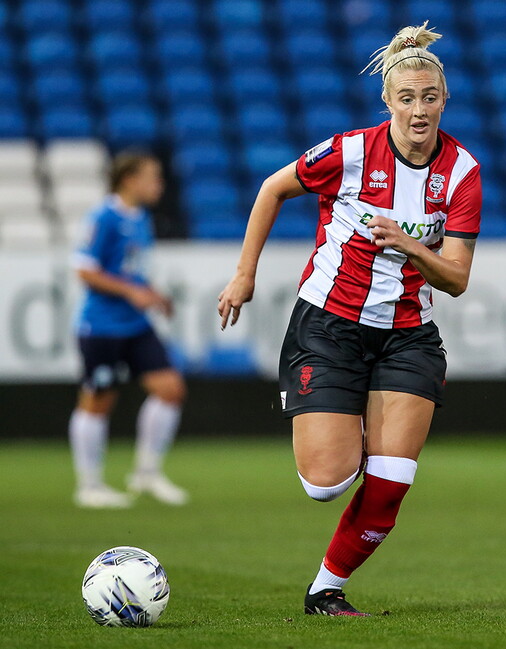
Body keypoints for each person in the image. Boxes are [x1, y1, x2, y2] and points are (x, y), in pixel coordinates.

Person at [217, 22, 481, 617]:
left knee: (390, 481)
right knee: (327, 482)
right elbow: (271, 188)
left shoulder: (462, 171)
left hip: (409, 334)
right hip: (330, 325)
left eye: (429, 97)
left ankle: (325, 589)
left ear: (445, 100)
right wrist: (244, 274)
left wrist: (410, 246)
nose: (419, 110)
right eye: (406, 98)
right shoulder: (350, 152)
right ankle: (341, 416)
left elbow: (458, 279)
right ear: (387, 101)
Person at [70, 151, 188, 508]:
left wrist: (152, 294)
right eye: (152, 176)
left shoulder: (141, 218)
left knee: (170, 389)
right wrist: (131, 291)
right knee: (98, 400)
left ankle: (147, 473)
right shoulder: (103, 217)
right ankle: (89, 485)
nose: (159, 184)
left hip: (136, 325)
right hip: (102, 326)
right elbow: (85, 269)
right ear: (128, 180)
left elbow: (131, 271)